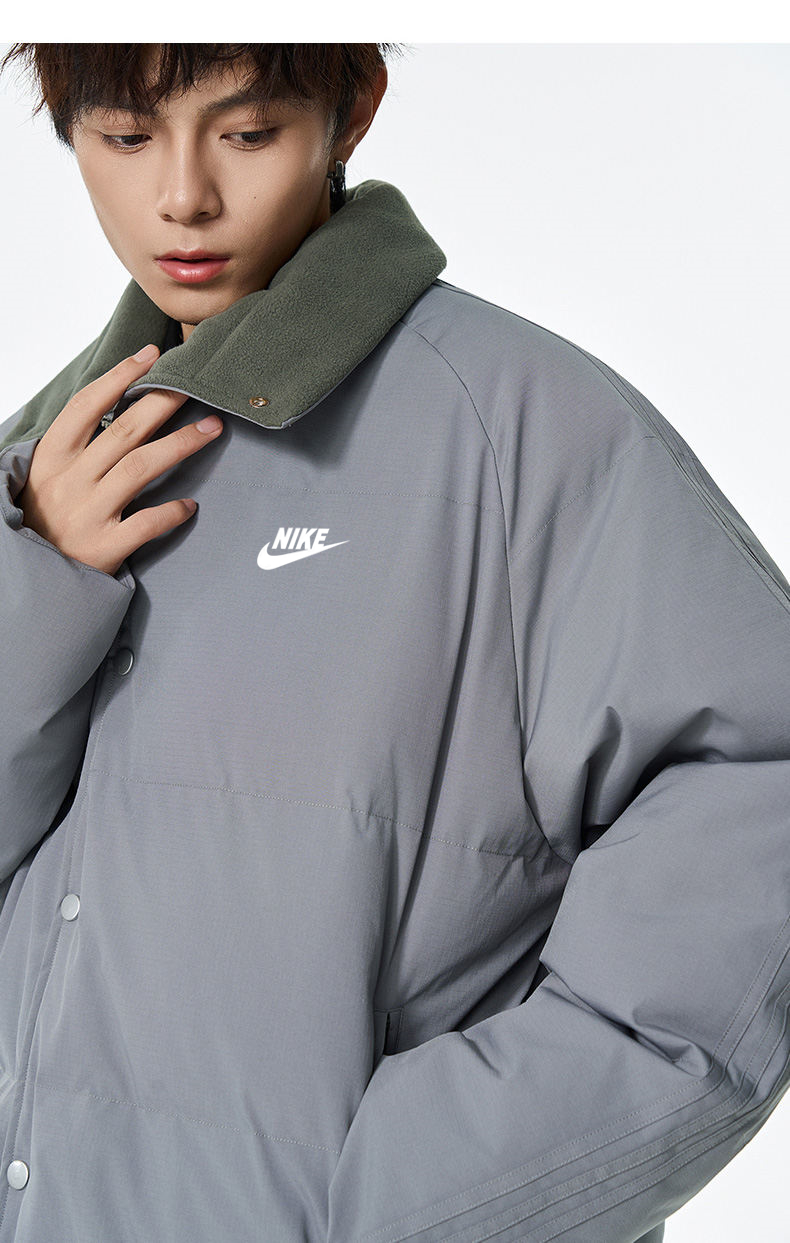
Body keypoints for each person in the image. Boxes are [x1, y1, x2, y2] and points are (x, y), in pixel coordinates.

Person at [0, 42, 788, 1243]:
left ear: (353, 107)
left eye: (247, 133)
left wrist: (427, 1197)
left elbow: (760, 787)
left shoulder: (518, 427)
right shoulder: (43, 457)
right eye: (124, 137)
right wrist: (36, 580)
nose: (182, 197)